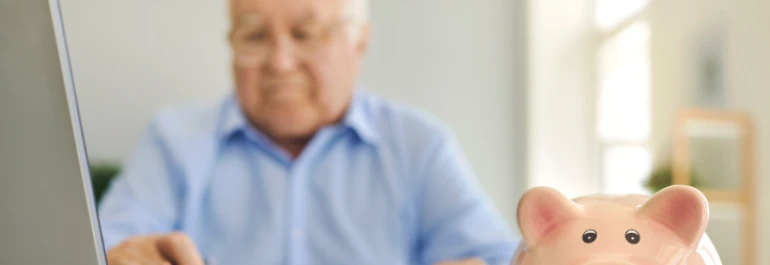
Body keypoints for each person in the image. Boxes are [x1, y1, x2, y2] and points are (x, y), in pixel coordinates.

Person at [98, 0, 518, 264]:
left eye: (305, 34)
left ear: (359, 42)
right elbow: (97, 248)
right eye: (255, 35)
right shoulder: (173, 140)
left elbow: (499, 258)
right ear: (231, 44)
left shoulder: (420, 147)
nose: (279, 62)